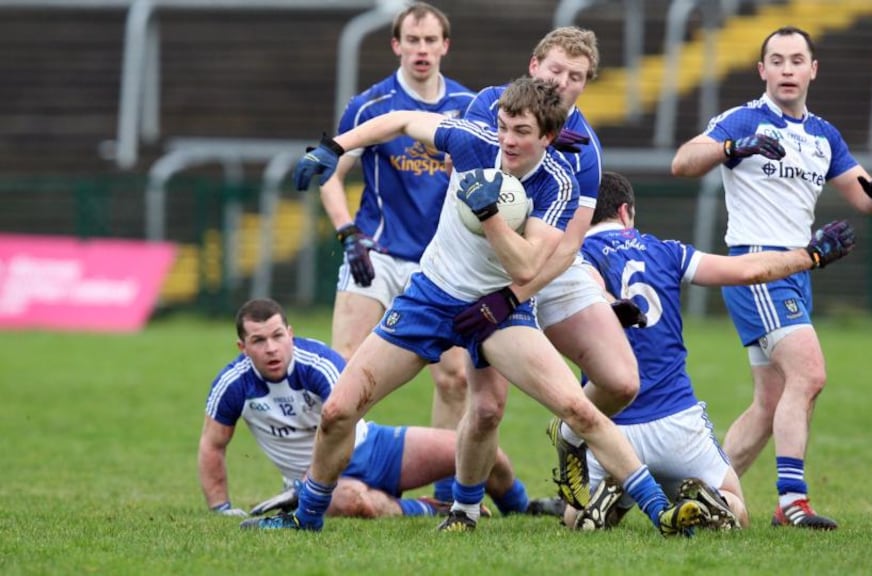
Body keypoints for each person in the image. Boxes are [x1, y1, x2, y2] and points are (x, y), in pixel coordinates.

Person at [244, 76, 703, 536]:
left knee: (577, 410)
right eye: (503, 126)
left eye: (521, 131)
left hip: (498, 311)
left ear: (547, 136)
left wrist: (490, 217)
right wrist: (335, 147)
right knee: (338, 412)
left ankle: (661, 511)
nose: (507, 140)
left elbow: (526, 267)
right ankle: (306, 518)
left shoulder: (557, 184)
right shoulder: (474, 141)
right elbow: (401, 119)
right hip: (431, 296)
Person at [669, 25, 872, 530]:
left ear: (812, 70)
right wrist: (732, 149)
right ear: (762, 70)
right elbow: (682, 163)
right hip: (757, 267)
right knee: (810, 375)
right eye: (777, 60)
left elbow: (862, 197)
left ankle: (705, 494)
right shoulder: (743, 119)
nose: (788, 69)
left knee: (770, 403)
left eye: (797, 60)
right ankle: (792, 501)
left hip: (800, 267)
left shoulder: (823, 135)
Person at [564, 171, 855, 531]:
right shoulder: (667, 250)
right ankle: (705, 500)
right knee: (736, 508)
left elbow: (592, 291)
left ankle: (609, 496)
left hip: (610, 425)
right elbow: (748, 270)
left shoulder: (573, 258)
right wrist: (809, 256)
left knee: (573, 515)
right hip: (677, 421)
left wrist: (610, 304)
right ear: (626, 212)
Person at [457, 26, 643, 511]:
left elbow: (570, 245)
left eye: (576, 76)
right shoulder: (490, 107)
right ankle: (465, 510)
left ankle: (570, 434)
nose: (564, 81)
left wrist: (518, 296)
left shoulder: (586, 148)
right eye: (556, 69)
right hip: (485, 269)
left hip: (547, 270)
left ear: (586, 83)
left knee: (621, 381)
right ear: (534, 65)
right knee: (486, 409)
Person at [316, 2, 475, 504]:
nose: (422, 50)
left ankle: (447, 493)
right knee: (343, 372)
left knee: (454, 379)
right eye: (413, 40)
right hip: (376, 254)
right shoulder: (370, 105)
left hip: (444, 265)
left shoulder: (470, 108)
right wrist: (347, 233)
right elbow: (329, 175)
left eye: (431, 41)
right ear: (396, 45)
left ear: (445, 46)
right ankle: (333, 478)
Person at [200, 298, 540, 521]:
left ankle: (522, 508)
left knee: (478, 449)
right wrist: (222, 509)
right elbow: (212, 445)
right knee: (356, 502)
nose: (272, 348)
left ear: (290, 333)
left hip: (373, 448)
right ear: (243, 348)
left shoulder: (317, 363)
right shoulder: (232, 385)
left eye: (277, 336)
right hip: (318, 481)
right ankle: (425, 509)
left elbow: (343, 422)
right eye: (259, 341)